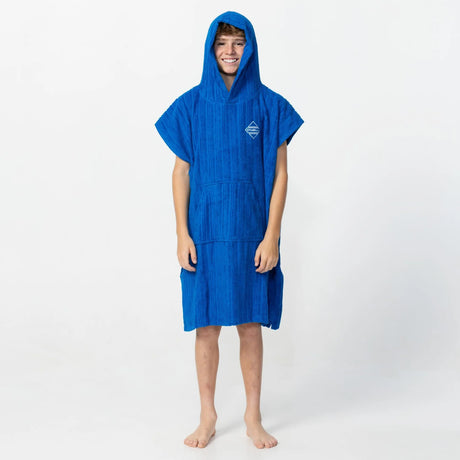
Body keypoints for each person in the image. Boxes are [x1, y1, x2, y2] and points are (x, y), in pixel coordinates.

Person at [154, 11, 304, 449]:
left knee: (250, 325)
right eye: (222, 43)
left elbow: (281, 175)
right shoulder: (191, 106)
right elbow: (181, 172)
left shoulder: (269, 106)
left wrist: (271, 235)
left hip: (251, 235)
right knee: (206, 327)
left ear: (250, 48)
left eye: (239, 42)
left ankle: (253, 416)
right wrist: (182, 234)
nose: (230, 51)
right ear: (210, 49)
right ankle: (208, 415)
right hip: (204, 235)